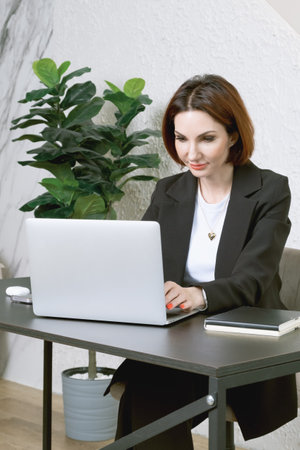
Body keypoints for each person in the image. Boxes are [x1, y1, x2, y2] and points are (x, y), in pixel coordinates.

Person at [106, 74, 297, 449]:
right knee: (147, 390)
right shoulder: (169, 191)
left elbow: (253, 280)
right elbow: (141, 262)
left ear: (233, 135)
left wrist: (196, 295)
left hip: (243, 342)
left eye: (206, 138)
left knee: (149, 395)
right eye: (181, 139)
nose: (190, 154)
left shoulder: (270, 190)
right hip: (179, 339)